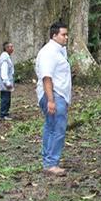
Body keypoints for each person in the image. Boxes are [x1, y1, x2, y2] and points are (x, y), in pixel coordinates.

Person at [35, 22, 71, 176]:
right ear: (54, 35)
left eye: (66, 34)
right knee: (57, 128)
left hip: (58, 94)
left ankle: (48, 161)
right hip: (53, 94)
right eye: (63, 34)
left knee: (51, 127)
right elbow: (46, 77)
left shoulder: (60, 51)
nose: (66, 37)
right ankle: (51, 163)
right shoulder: (49, 52)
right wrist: (51, 100)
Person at [0, 42, 15, 120]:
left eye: (12, 47)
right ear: (6, 48)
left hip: (6, 82)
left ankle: (5, 113)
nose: (12, 48)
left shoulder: (6, 56)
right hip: (5, 83)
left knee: (6, 98)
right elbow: (4, 72)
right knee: (5, 99)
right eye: (10, 47)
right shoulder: (5, 59)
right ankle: (3, 114)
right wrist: (7, 82)